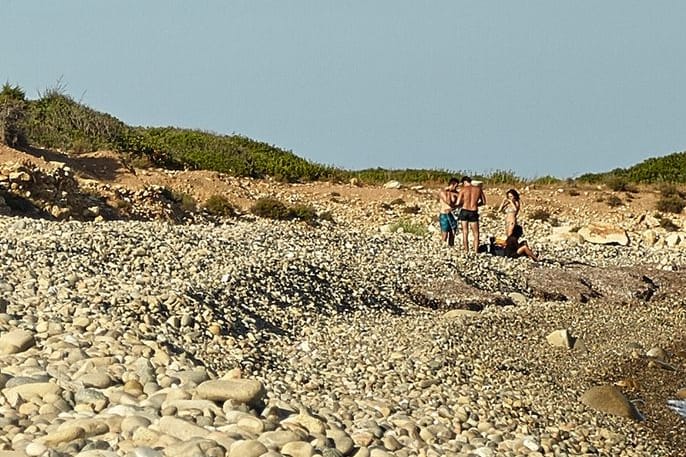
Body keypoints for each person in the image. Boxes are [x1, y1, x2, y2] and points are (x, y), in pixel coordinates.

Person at [455, 176, 486, 252]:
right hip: (473, 211)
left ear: (464, 182)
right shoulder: (478, 189)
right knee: (476, 233)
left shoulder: (463, 189)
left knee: (465, 232)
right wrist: (476, 204)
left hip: (464, 210)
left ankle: (466, 250)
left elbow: (458, 202)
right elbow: (484, 202)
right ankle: (475, 251)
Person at [437, 177, 460, 246]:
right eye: (455, 186)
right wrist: (449, 192)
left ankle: (451, 247)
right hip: (444, 214)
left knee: (452, 233)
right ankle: (443, 247)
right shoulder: (443, 192)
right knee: (445, 233)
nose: (456, 188)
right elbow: (448, 201)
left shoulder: (457, 193)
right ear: (452, 185)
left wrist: (454, 208)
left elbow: (461, 203)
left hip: (453, 214)